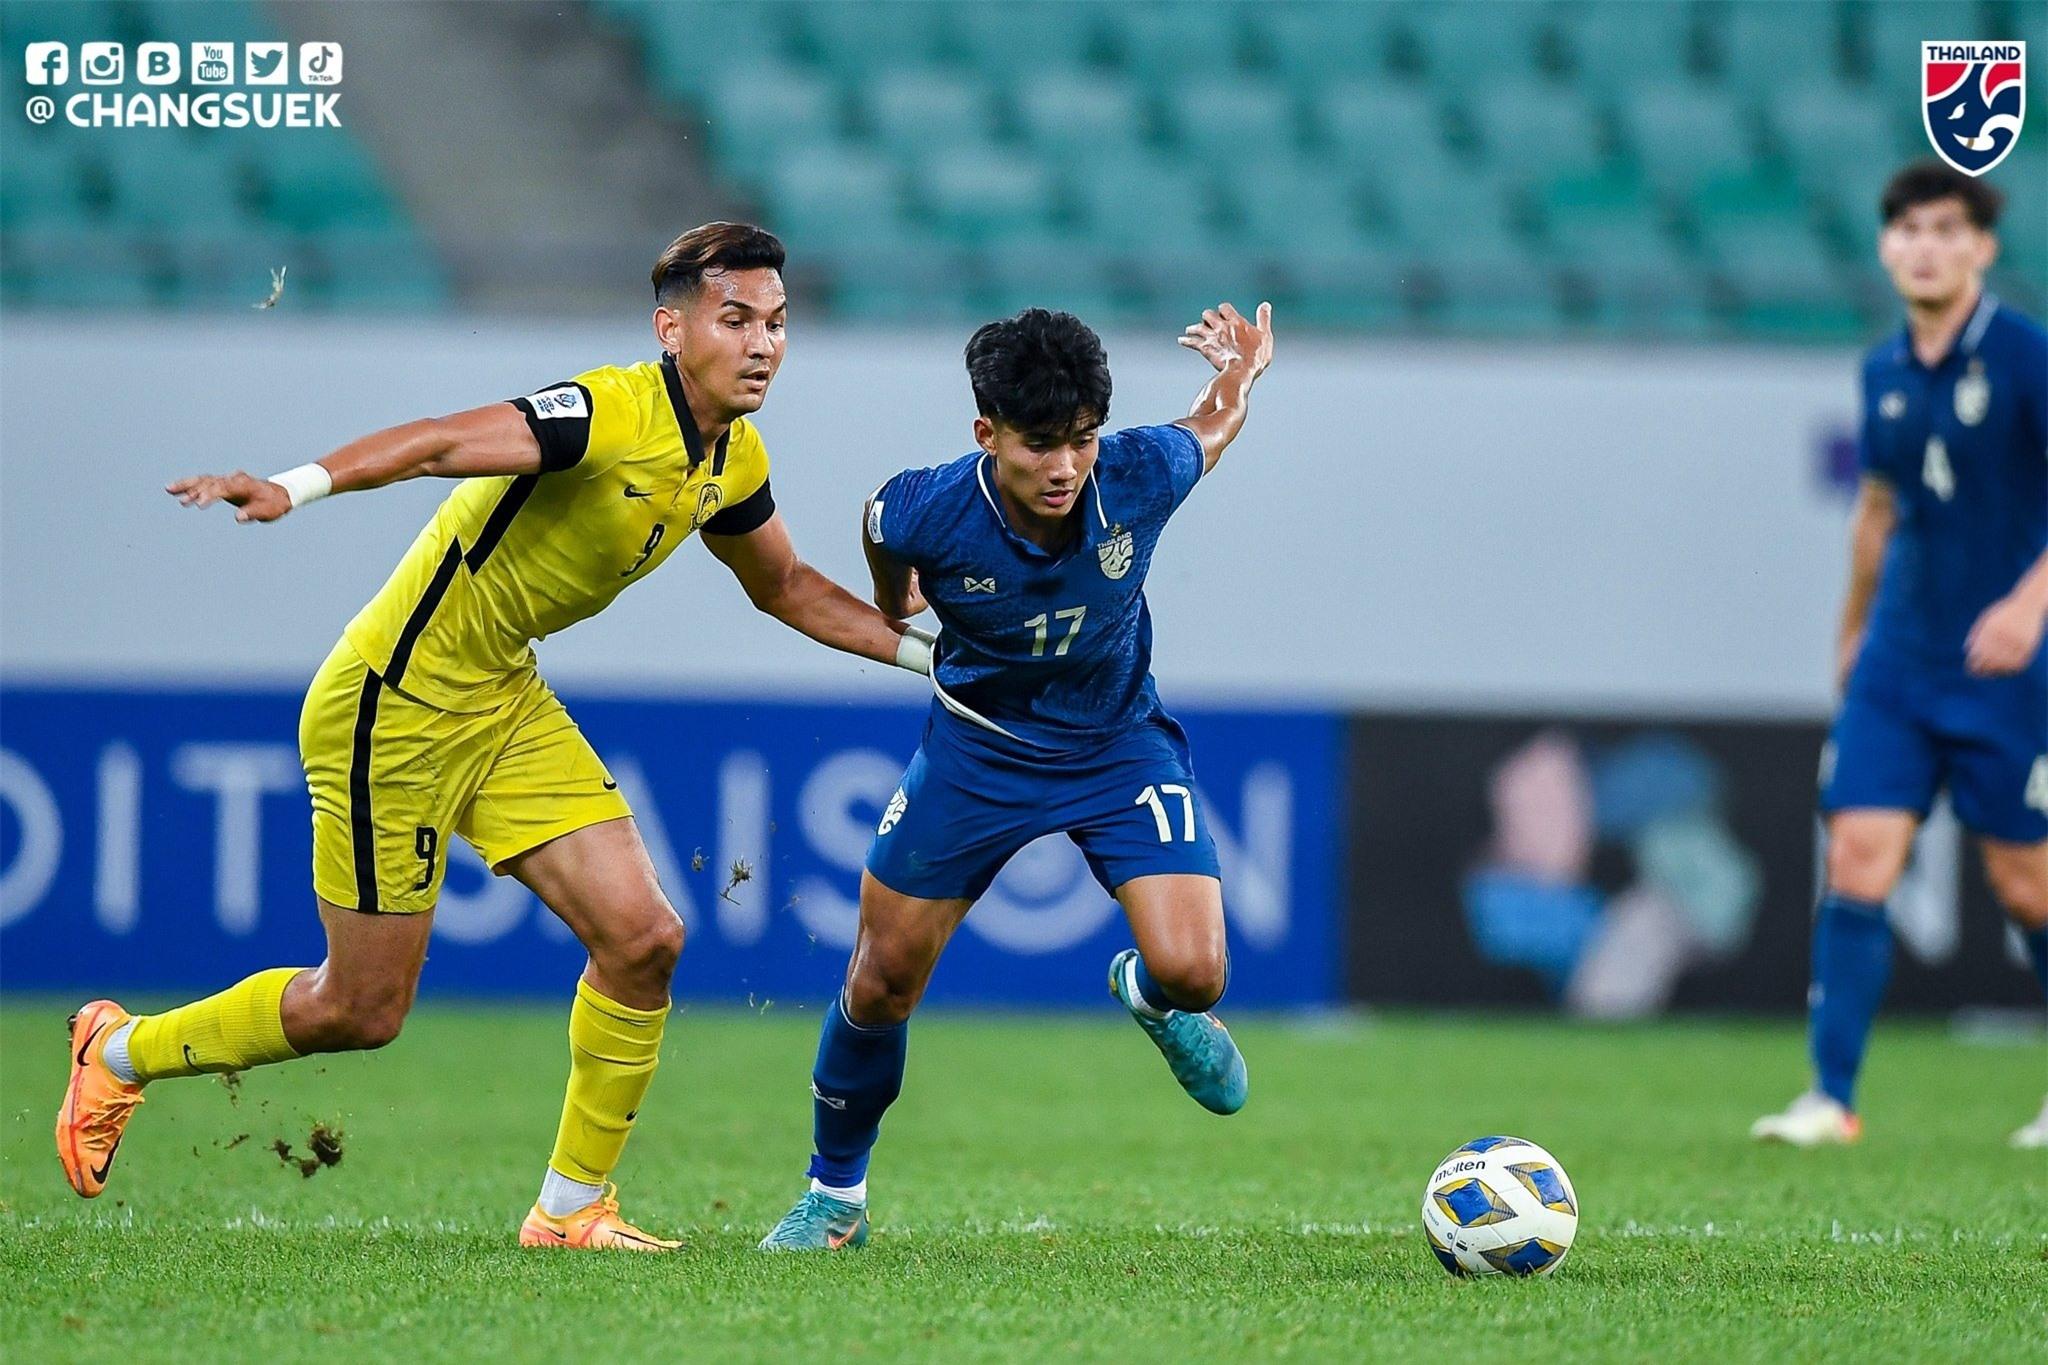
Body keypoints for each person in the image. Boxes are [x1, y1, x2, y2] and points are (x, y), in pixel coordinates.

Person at [55, 223, 934, 1248]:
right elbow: (435, 442)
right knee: (360, 1009)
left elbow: (782, 585)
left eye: (777, 324)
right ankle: (118, 1053)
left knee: (643, 941)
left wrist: (931, 660)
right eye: (735, 319)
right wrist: (294, 486)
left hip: (501, 695)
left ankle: (569, 1211)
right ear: (671, 328)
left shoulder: (730, 455)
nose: (763, 345)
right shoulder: (603, 412)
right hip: (393, 704)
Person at [759, 301, 1275, 1251]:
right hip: (979, 746)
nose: (1066, 468)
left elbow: (1213, 424)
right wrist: (894, 601)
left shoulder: (1137, 475)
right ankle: (835, 1196)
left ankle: (1150, 998)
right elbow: (881, 536)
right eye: (1041, 444)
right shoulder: (926, 506)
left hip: (1116, 742)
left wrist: (1242, 368)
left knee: (1196, 971)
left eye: (1081, 440)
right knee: (879, 981)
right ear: (986, 433)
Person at [1751, 163, 2048, 1149]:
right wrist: (1849, 626)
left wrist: (2024, 606)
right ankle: (1829, 1098)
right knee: (1856, 855)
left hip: (2006, 670)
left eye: (1943, 229)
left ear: (1979, 247)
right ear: (1884, 247)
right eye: (1906, 229)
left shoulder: (2022, 356)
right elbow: (1875, 513)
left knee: (2024, 883)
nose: (1922, 245)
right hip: (1898, 661)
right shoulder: (1879, 370)